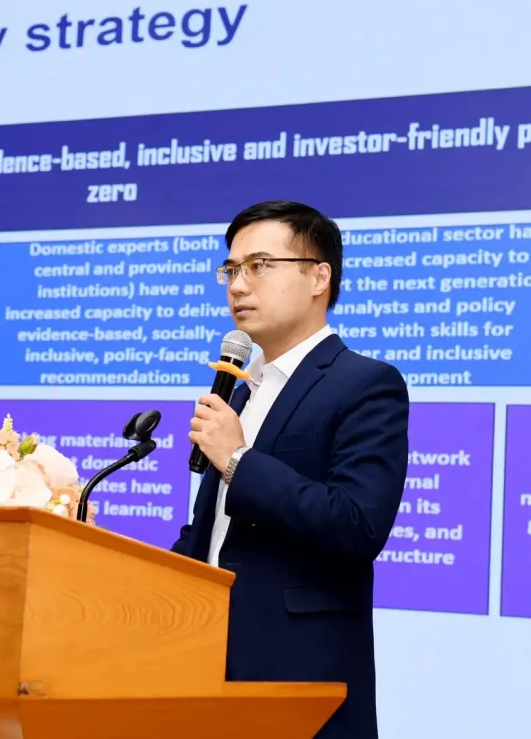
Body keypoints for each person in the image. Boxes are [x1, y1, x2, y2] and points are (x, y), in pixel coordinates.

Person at [171, 200, 410, 738]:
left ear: (319, 277)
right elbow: (214, 536)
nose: (238, 286)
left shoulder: (364, 384)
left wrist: (237, 460)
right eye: (231, 270)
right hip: (206, 667)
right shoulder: (241, 389)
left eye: (259, 266)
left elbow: (357, 524)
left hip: (298, 676)